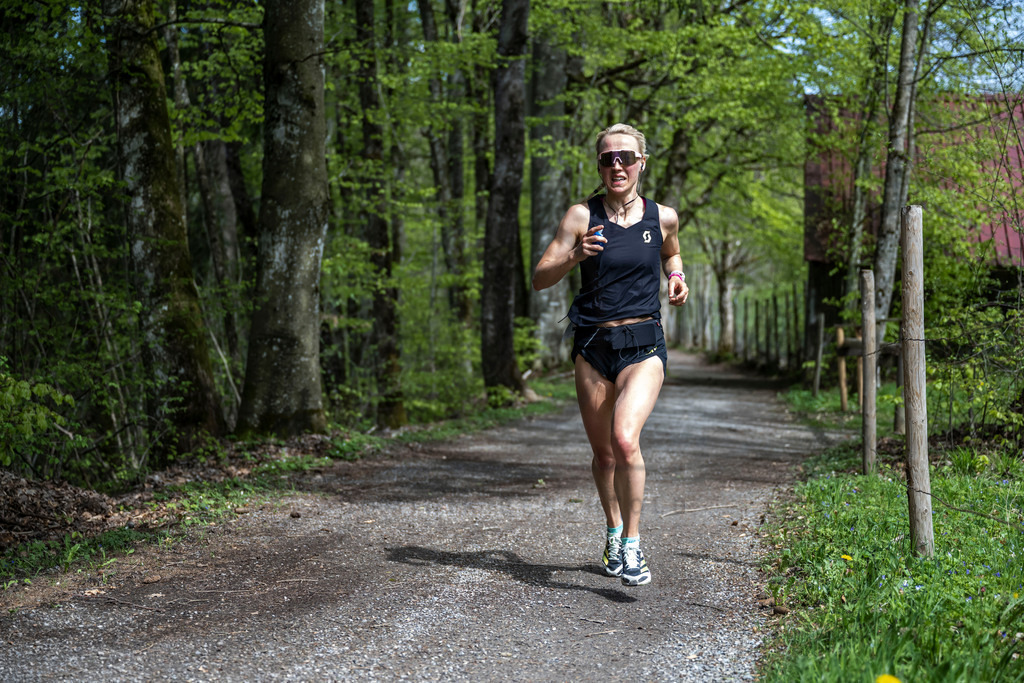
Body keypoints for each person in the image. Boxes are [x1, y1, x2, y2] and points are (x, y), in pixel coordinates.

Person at [532, 123, 688, 586]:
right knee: (603, 455)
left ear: (642, 162)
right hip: (593, 346)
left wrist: (677, 278)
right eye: (607, 158)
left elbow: (672, 255)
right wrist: (575, 256)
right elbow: (540, 277)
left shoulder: (663, 217)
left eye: (625, 157)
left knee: (624, 439)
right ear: (598, 166)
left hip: (643, 344)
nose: (616, 165)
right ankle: (614, 530)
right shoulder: (581, 216)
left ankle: (635, 547)